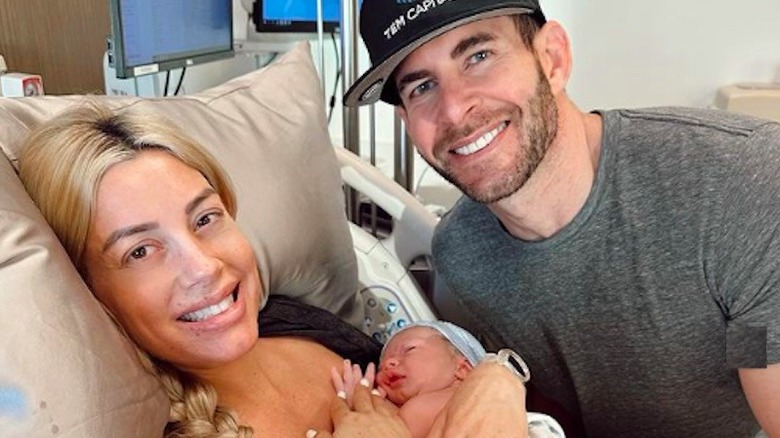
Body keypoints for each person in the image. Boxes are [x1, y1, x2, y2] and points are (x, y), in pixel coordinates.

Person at [343, 0, 780, 437]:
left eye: (479, 56)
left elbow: (757, 356)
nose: (455, 111)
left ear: (552, 58)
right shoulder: (461, 256)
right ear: (406, 121)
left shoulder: (737, 188)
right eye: (422, 87)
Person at [17, 102, 531, 438]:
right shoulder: (173, 427)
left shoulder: (294, 319)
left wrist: (498, 380)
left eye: (205, 217)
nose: (205, 266)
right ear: (90, 291)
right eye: (140, 251)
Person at [332, 321, 565, 438]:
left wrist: (360, 407)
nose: (390, 363)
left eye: (409, 349)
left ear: (462, 369)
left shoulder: (446, 399)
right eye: (383, 366)